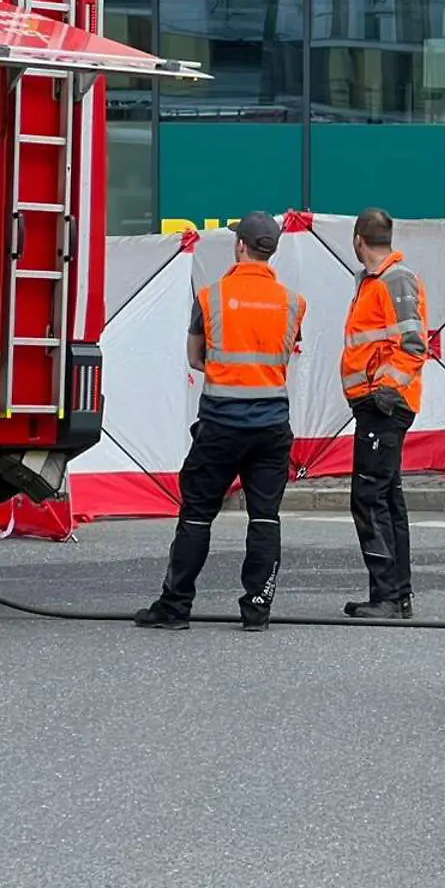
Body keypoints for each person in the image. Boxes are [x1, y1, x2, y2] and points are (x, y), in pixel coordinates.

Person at [135, 212, 304, 632]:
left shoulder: (211, 297)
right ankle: (257, 610)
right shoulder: (293, 303)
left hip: (221, 423)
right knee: (265, 516)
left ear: (240, 245)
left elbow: (195, 358)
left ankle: (175, 607)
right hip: (272, 425)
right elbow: (285, 353)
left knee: (197, 514)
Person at [340, 208, 428, 619]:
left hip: (383, 405)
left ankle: (388, 597)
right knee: (386, 497)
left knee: (369, 497)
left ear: (358, 239)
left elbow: (413, 344)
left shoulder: (394, 279)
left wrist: (385, 392)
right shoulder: (377, 280)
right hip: (379, 403)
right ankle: (396, 595)